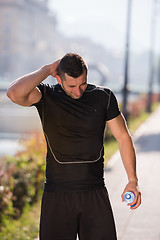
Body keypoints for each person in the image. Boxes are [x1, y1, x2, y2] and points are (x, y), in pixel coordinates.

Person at [7, 53, 141, 240]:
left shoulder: (103, 97)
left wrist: (132, 181)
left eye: (83, 84)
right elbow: (14, 93)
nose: (78, 91)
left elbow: (123, 137)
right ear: (59, 79)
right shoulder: (46, 95)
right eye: (72, 86)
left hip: (94, 192)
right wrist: (46, 69)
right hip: (57, 195)